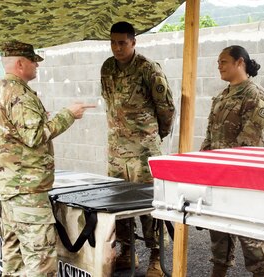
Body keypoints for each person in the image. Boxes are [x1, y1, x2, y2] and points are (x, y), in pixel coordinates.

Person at [0, 40, 95, 277]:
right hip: (28, 195)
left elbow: (14, 134)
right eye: (34, 61)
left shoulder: (0, 91)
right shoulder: (19, 94)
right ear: (20, 63)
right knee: (41, 262)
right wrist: (69, 115)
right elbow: (35, 136)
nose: (37, 65)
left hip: (12, 190)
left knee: (15, 262)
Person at [100, 21, 175, 276]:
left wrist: (154, 137)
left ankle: (157, 255)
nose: (117, 47)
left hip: (144, 152)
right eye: (113, 42)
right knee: (119, 205)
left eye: (122, 42)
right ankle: (127, 251)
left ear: (133, 42)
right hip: (116, 152)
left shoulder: (148, 69)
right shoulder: (107, 67)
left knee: (149, 205)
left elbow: (166, 107)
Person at [201, 45, 264, 277]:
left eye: (224, 61)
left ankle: (261, 274)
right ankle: (219, 270)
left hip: (244, 177)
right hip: (219, 175)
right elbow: (210, 136)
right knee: (219, 230)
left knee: (251, 234)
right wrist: (203, 165)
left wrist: (227, 171)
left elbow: (249, 144)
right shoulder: (222, 96)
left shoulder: (254, 95)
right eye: (218, 62)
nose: (219, 66)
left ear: (239, 62)